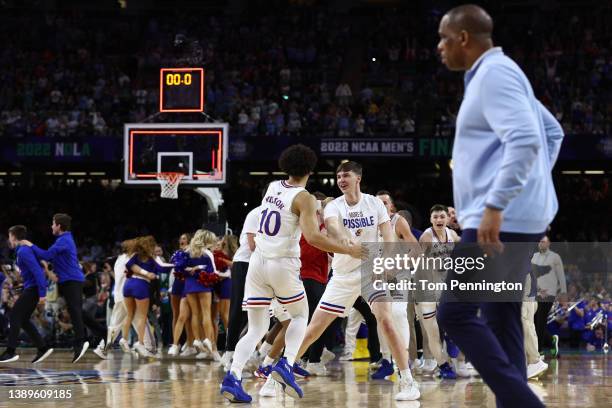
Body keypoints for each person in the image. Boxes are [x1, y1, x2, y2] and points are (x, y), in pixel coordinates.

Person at [436, 4, 564, 407]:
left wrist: (496, 203)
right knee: (501, 316)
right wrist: (528, 191)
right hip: (515, 217)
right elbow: (551, 132)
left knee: (453, 314)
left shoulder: (494, 75)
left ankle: (525, 403)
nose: (439, 47)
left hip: (497, 221)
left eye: (443, 38)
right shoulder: (503, 73)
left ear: (463, 38)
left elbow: (528, 140)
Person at [220, 144, 364, 403]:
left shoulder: (273, 187)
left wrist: (320, 207)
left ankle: (233, 376)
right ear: (310, 168)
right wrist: (348, 249)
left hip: (257, 264)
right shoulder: (304, 198)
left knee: (256, 328)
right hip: (281, 264)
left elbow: (292, 209)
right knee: (300, 316)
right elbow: (313, 237)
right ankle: (285, 365)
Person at [295, 161, 420, 401]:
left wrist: (385, 261)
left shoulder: (374, 203)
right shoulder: (334, 206)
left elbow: (388, 237)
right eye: (338, 176)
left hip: (371, 272)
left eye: (346, 176)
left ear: (358, 178)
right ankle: (278, 374)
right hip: (343, 275)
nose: (341, 180)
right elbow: (334, 228)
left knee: (386, 320)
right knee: (313, 329)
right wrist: (347, 243)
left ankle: (407, 379)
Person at [20, 213, 92, 363]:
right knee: (77, 310)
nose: (51, 226)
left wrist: (30, 245)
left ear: (59, 226)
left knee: (75, 310)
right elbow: (51, 258)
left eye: (53, 224)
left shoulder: (64, 240)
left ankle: (81, 341)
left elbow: (46, 255)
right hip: (68, 280)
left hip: (72, 280)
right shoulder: (62, 240)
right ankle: (101, 334)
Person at [417, 204, 460, 379]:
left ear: (447, 219)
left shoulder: (453, 235)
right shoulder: (427, 237)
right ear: (431, 220)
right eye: (435, 217)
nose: (439, 220)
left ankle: (451, 336)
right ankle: (443, 365)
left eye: (442, 216)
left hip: (444, 286)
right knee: (432, 332)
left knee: (455, 315)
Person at [0, 225, 53, 364]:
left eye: (9, 236)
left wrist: (42, 294)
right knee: (22, 320)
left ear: (14, 237)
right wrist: (23, 285)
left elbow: (38, 272)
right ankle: (43, 347)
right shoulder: (22, 251)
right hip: (30, 288)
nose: (8, 239)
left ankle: (10, 351)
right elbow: (31, 272)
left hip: (34, 289)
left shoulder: (23, 251)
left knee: (14, 316)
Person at [220, 205, 260, 370]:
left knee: (258, 309)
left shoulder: (278, 214)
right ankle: (229, 352)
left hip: (262, 264)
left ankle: (249, 350)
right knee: (238, 308)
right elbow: (252, 245)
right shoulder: (255, 213)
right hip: (244, 263)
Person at [122, 236, 171, 357]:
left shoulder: (135, 256)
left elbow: (129, 265)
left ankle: (123, 339)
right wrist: (178, 265)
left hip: (128, 285)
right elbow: (163, 268)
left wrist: (145, 273)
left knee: (129, 314)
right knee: (142, 316)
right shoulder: (153, 258)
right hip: (141, 286)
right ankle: (140, 343)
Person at [532, 235, 566, 357]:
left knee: (540, 321)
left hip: (548, 294)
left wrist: (563, 294)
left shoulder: (555, 257)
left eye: (543, 242)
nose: (541, 244)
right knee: (533, 322)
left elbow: (561, 277)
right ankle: (551, 341)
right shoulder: (534, 257)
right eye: (539, 242)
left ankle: (539, 350)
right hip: (534, 293)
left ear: (549, 243)